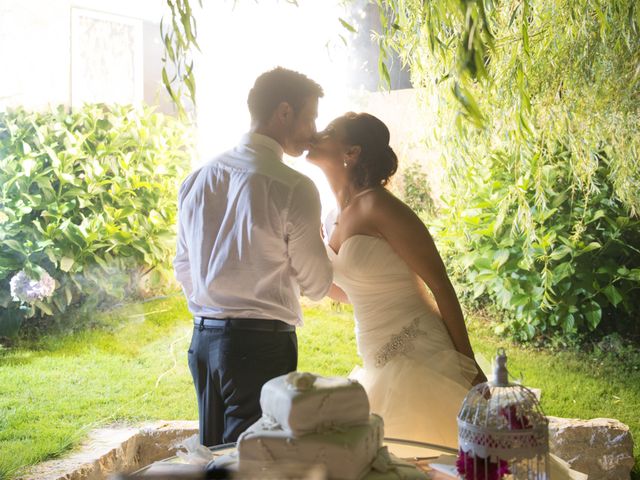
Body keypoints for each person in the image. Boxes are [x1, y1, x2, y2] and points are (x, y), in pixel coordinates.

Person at [307, 112, 487, 448]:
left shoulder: (380, 205)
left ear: (352, 152)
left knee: (433, 457)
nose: (317, 134)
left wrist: (469, 365)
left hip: (419, 355)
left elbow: (441, 285)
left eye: (329, 131)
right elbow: (353, 292)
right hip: (375, 362)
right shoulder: (333, 218)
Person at [174, 67, 333, 446]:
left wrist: (213, 307)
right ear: (283, 112)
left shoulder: (197, 178)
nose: (313, 130)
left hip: (203, 342)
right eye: (310, 117)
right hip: (260, 346)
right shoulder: (293, 186)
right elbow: (317, 283)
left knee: (212, 458)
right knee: (254, 462)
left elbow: (183, 266)